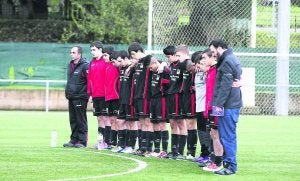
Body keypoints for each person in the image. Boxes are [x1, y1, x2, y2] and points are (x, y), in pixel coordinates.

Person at [209, 39, 243, 175]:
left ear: (220, 48)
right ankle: (228, 164)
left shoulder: (228, 60)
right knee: (227, 135)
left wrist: (218, 106)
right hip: (230, 104)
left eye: (213, 51)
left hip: (227, 105)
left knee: (227, 136)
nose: (213, 55)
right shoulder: (231, 58)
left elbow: (225, 86)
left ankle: (230, 166)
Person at [128, 42, 153, 156]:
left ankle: (148, 148)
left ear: (139, 51)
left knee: (147, 121)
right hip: (138, 96)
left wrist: (162, 65)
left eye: (133, 54)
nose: (133, 57)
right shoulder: (137, 64)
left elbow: (158, 62)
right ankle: (142, 147)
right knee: (141, 122)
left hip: (145, 96)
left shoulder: (148, 59)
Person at [200, 49, 224, 172]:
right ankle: (215, 160)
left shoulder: (217, 70)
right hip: (210, 107)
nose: (202, 61)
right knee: (213, 133)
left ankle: (218, 162)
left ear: (212, 58)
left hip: (216, 107)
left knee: (217, 134)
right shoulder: (210, 71)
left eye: (204, 58)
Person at [63, 46, 89, 148]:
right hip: (71, 96)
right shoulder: (70, 65)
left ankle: (82, 141)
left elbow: (89, 81)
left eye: (73, 52)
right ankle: (73, 140)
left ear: (79, 54)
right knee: (73, 119)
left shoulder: (85, 66)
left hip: (80, 97)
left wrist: (88, 94)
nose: (71, 54)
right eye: (71, 52)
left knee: (80, 119)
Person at [87, 41, 109, 149]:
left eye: (94, 50)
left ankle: (108, 141)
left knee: (106, 118)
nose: (92, 52)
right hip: (95, 95)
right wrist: (90, 93)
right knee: (99, 118)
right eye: (91, 50)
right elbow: (90, 79)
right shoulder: (92, 62)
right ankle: (100, 141)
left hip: (105, 95)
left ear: (100, 50)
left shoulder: (105, 61)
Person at [192, 51, 212, 164]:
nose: (197, 66)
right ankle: (204, 153)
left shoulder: (208, 72)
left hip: (206, 106)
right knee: (200, 130)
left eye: (199, 63)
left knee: (207, 131)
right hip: (198, 106)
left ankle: (209, 154)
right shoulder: (197, 72)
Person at [148, 57, 170, 158]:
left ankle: (164, 150)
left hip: (161, 100)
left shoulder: (164, 71)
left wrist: (163, 65)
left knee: (162, 125)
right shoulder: (152, 72)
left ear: (156, 62)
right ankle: (156, 149)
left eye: (151, 66)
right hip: (153, 100)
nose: (150, 68)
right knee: (154, 124)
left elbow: (168, 75)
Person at [102, 47, 120, 149]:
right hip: (108, 97)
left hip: (116, 97)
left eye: (105, 55)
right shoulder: (107, 66)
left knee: (118, 120)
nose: (104, 57)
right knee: (112, 119)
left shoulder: (117, 66)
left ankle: (119, 142)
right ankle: (112, 142)